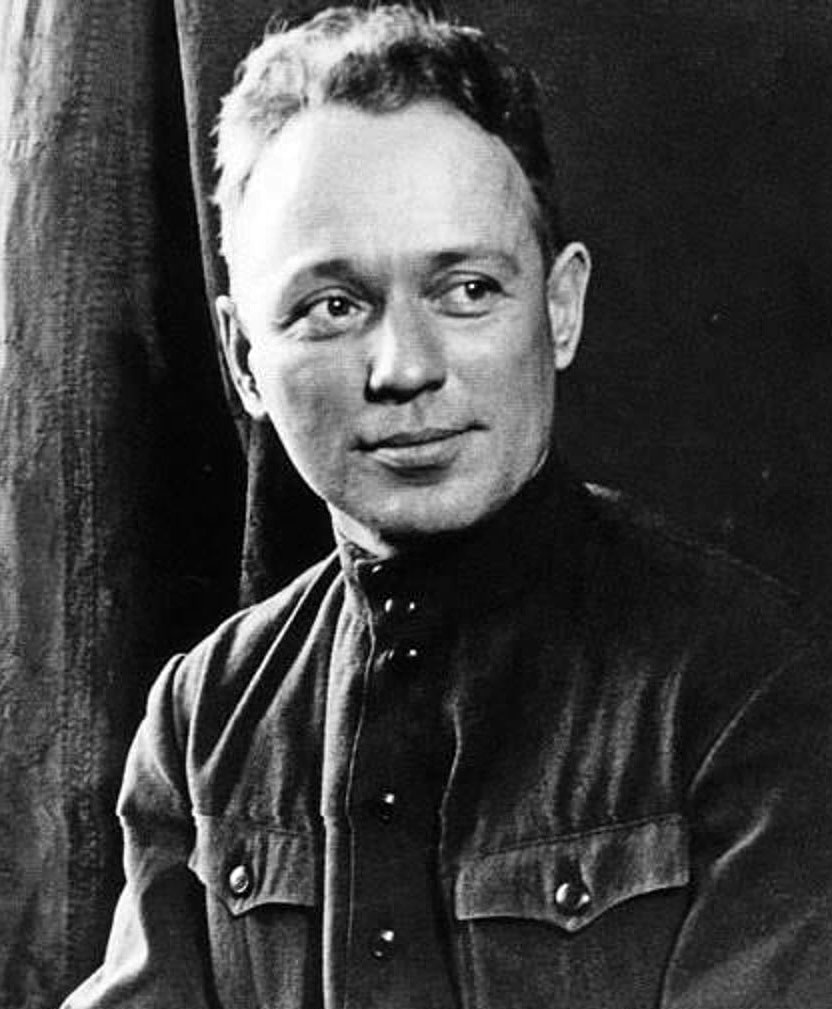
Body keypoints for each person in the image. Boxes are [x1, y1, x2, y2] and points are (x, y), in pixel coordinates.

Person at [62, 5, 832, 1008]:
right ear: (245, 358)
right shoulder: (202, 717)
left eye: (466, 289)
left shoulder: (749, 690)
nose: (405, 367)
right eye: (333, 306)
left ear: (559, 307)